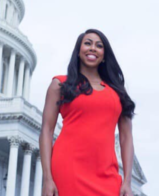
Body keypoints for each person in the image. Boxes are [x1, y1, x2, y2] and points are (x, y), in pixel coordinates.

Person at [39, 29, 136, 196]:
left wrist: (127, 181)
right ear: (78, 51)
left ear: (104, 55)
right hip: (68, 169)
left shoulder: (118, 92)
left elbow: (126, 137)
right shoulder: (60, 84)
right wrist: (48, 178)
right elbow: (46, 131)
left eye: (99, 46)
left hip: (107, 174)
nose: (92, 48)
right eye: (87, 43)